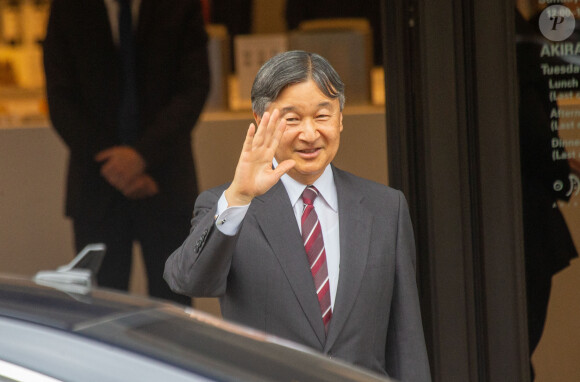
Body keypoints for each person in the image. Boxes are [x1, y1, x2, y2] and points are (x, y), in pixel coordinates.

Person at [164, 50, 431, 380]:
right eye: (291, 119)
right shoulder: (229, 206)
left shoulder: (386, 209)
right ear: (261, 121)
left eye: (322, 116)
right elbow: (187, 280)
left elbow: (406, 341)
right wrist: (239, 195)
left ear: (341, 118)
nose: (309, 134)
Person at [43, 0, 210, 305]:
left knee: (173, 313)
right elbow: (60, 98)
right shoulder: (69, 7)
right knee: (99, 310)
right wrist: (115, 163)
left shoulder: (180, 6)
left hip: (165, 181)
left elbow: (194, 88)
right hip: (96, 185)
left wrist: (141, 156)